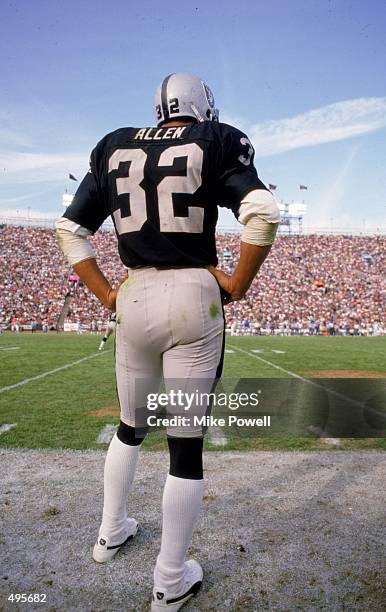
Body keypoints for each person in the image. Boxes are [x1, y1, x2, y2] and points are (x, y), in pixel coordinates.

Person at [56, 72, 280, 611]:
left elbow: (70, 228)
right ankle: (170, 579)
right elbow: (263, 211)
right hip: (193, 295)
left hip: (133, 295)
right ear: (202, 106)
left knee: (131, 427)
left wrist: (107, 294)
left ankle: (110, 534)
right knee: (184, 445)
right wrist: (239, 284)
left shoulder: (115, 144)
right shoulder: (215, 138)